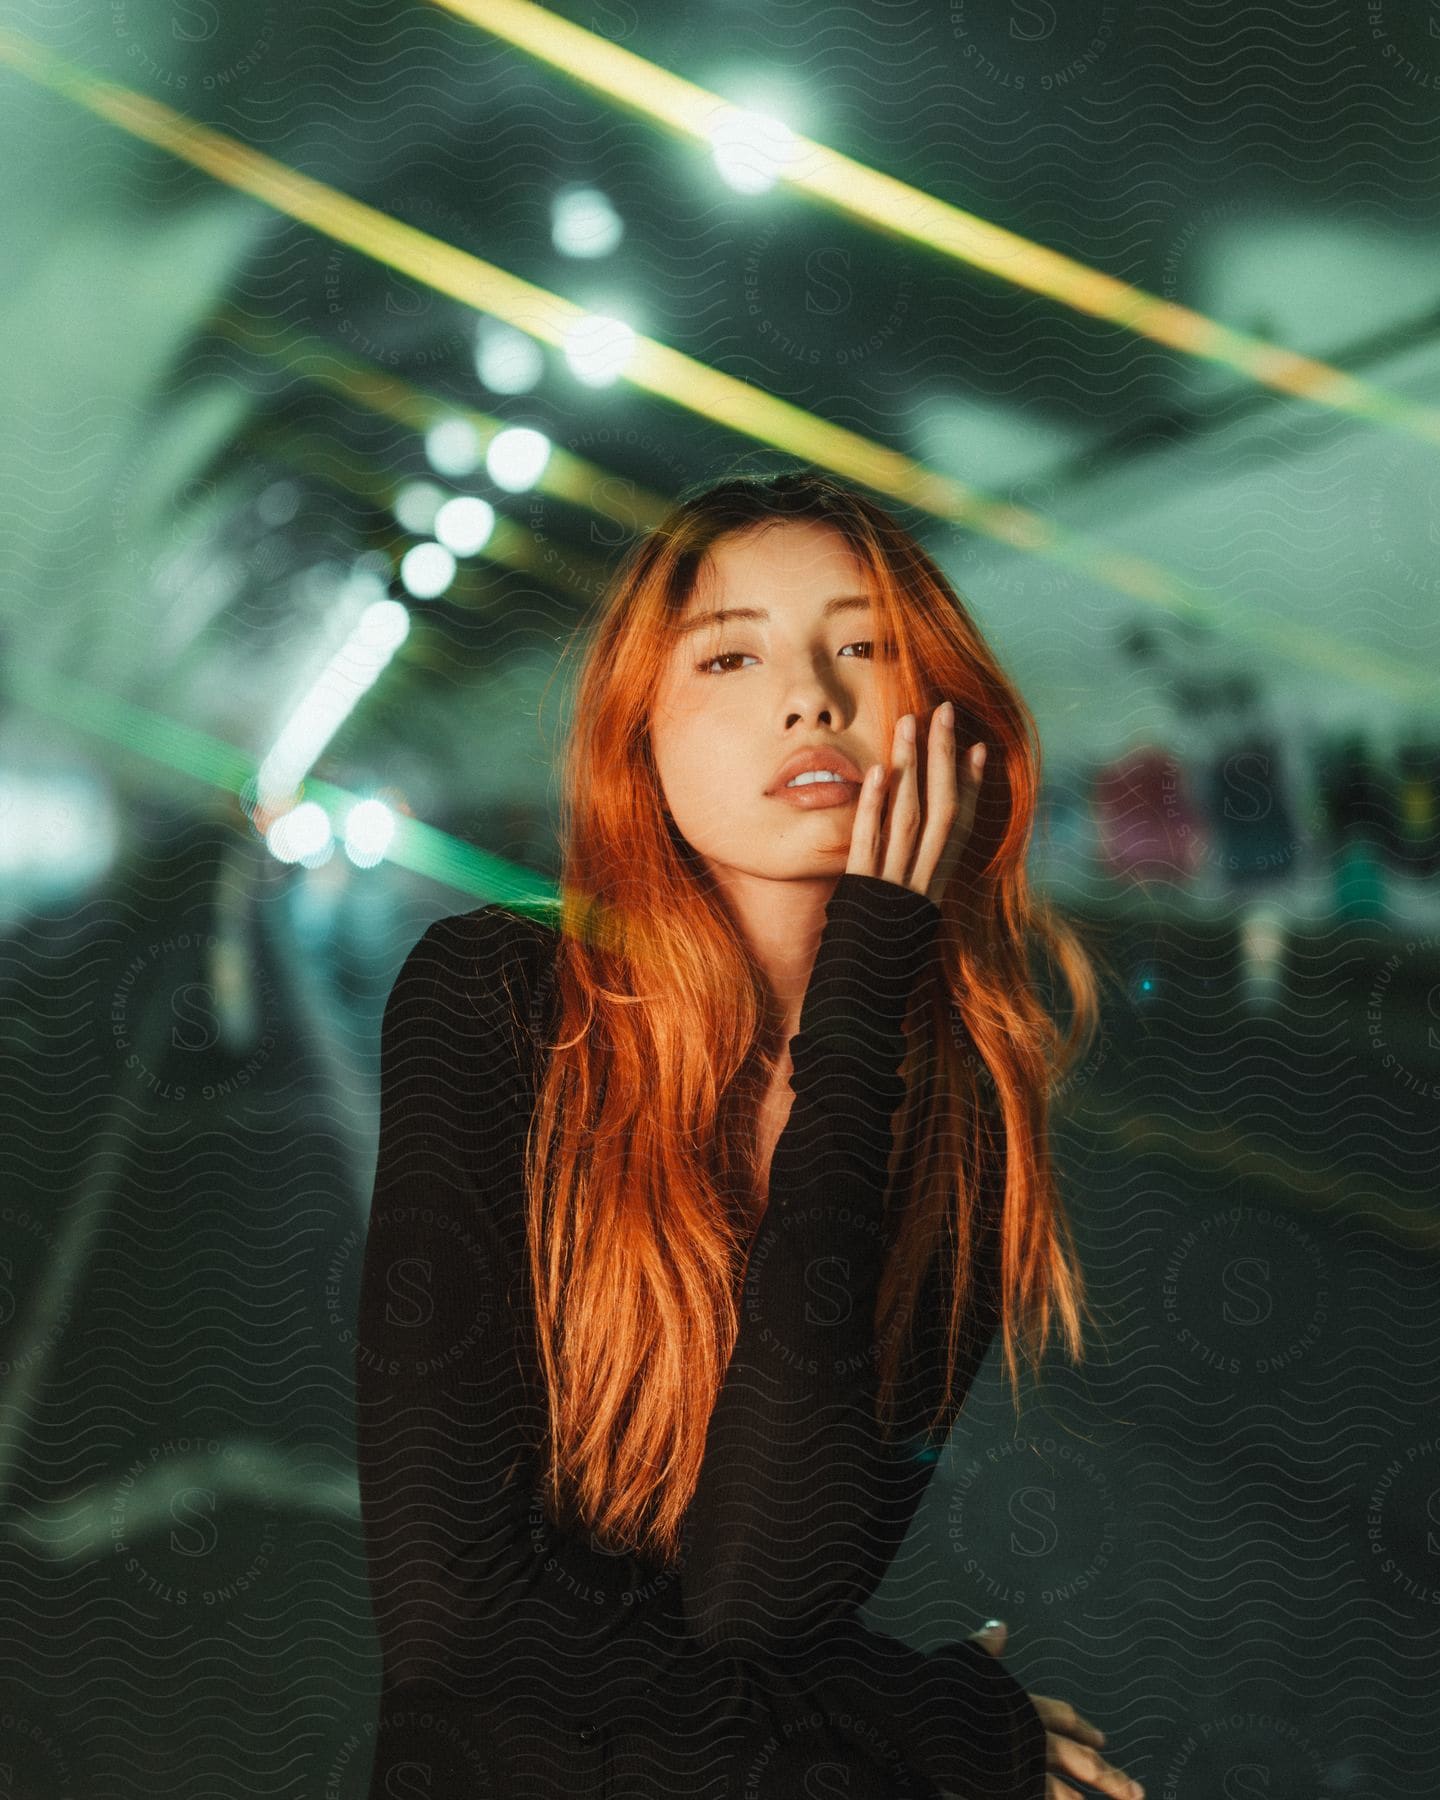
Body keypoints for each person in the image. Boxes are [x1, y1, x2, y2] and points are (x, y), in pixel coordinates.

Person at [354, 468, 1145, 1800]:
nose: (812, 698)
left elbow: (761, 1606)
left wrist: (864, 998)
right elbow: (463, 1634)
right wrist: (932, 1718)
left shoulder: (957, 1121)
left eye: (862, 646)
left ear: (936, 720)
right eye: (731, 654)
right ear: (639, 738)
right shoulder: (495, 1001)